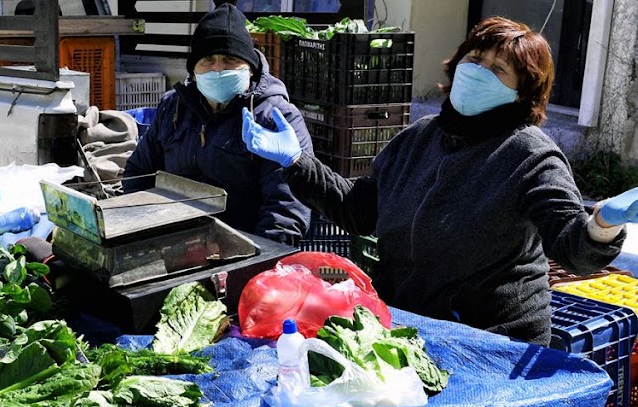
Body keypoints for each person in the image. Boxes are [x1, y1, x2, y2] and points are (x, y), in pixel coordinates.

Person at [241, 16, 634, 346]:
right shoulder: (419, 137)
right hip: (410, 322)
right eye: (475, 59)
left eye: (498, 69)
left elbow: (570, 246)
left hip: (491, 340)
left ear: (522, 92)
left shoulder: (530, 156)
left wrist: (600, 226)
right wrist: (297, 161)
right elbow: (357, 209)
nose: (478, 72)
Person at [123, 4, 313, 245]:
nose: (218, 69)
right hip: (175, 241)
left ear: (250, 69)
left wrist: (254, 261)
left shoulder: (276, 117)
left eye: (230, 60)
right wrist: (141, 233)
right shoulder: (173, 107)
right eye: (208, 60)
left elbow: (286, 210)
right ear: (193, 69)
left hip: (243, 247)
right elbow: (139, 173)